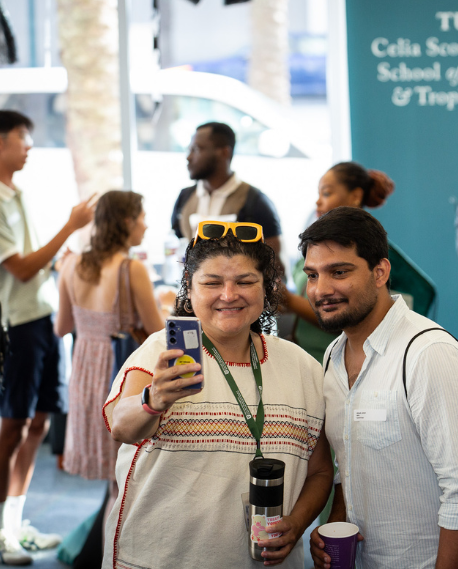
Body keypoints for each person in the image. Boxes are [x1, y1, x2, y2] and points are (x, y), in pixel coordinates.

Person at [102, 221, 332, 569]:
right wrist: (154, 399)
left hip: (267, 559)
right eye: (211, 283)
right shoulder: (159, 351)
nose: (228, 295)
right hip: (160, 558)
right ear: (189, 292)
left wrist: (297, 524)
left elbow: (319, 472)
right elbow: (121, 426)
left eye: (245, 281)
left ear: (267, 289)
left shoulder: (303, 368)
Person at [303, 207, 458, 569]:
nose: (322, 289)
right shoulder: (333, 356)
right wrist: (337, 522)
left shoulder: (430, 355)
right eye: (312, 275)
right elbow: (347, 464)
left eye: (339, 272)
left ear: (380, 272)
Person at [0, 110, 95, 566]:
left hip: (43, 318)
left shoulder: (20, 193)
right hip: (15, 325)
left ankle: (13, 524)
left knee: (37, 424)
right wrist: (70, 227)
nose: (29, 146)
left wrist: (68, 256)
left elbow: (42, 260)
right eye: (22, 137)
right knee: (13, 425)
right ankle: (0, 530)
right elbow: (20, 267)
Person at [54, 192, 165, 521]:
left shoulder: (71, 263)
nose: (146, 224)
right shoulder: (131, 269)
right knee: (123, 477)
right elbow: (158, 333)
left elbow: (62, 327)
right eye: (142, 216)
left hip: (85, 371)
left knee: (110, 474)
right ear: (127, 221)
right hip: (120, 371)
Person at [284, 161, 436, 362]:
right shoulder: (313, 248)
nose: (318, 203)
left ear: (355, 196)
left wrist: (290, 301)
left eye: (339, 272)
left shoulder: (374, 252)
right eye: (313, 275)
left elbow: (353, 315)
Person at [171, 122, 283, 258]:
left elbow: (275, 264)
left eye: (197, 149)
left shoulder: (255, 202)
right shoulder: (185, 197)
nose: (189, 157)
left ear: (224, 152)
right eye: (189, 150)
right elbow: (177, 247)